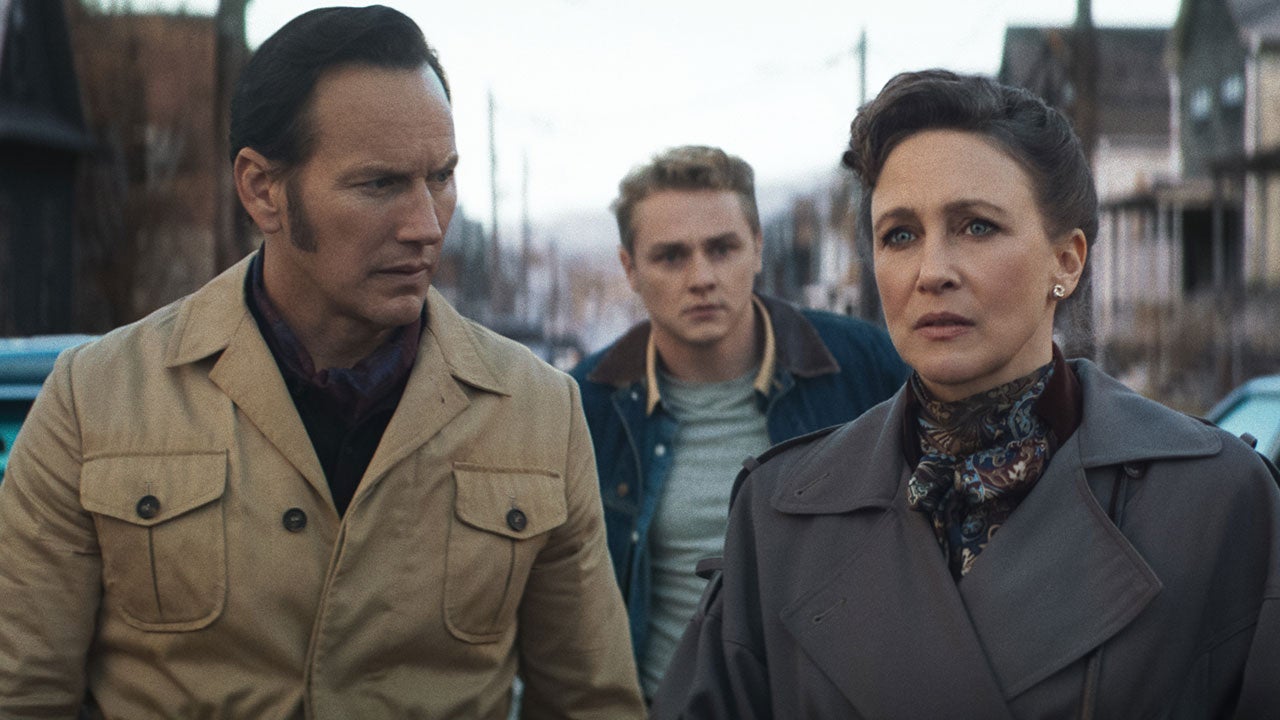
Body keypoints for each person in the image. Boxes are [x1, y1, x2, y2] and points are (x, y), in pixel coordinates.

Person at [0, 6, 643, 718]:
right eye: (380, 185)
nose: (427, 225)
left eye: (441, 177)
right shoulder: (96, 399)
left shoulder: (538, 412)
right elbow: (21, 692)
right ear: (262, 190)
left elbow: (591, 703)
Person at [652, 70, 1280, 718]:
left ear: (1066, 261)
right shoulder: (782, 517)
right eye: (900, 235)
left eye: (976, 227)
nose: (932, 272)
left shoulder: (1215, 505)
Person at [570, 145, 908, 699]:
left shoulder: (864, 366)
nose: (701, 277)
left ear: (757, 247)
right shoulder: (586, 404)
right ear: (630, 269)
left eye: (722, 248)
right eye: (671, 257)